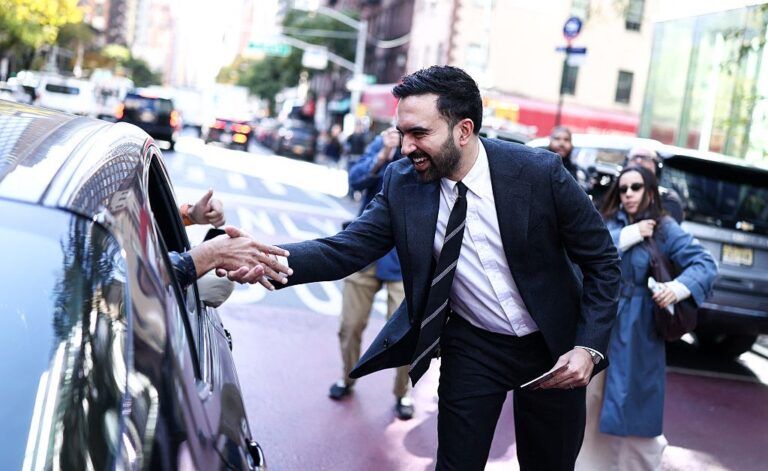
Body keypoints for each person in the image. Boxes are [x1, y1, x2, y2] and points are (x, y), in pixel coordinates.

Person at [225, 66, 621, 470]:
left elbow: (603, 261)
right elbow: (347, 248)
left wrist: (588, 348)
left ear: (463, 130)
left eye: (419, 134)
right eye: (402, 133)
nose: (405, 148)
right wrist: (266, 259)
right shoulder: (402, 183)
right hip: (474, 346)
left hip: (554, 348)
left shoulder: (539, 173)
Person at [576, 166, 717, 471]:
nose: (628, 194)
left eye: (636, 187)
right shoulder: (608, 221)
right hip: (602, 321)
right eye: (623, 188)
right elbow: (585, 252)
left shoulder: (664, 228)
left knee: (638, 404)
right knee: (591, 400)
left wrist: (676, 289)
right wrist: (628, 235)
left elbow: (705, 264)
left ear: (650, 191)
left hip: (641, 329)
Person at [329, 127, 413, 420]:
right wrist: (383, 154)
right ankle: (347, 378)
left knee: (406, 333)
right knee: (350, 325)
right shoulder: (383, 141)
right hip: (365, 254)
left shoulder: (427, 147)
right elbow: (355, 180)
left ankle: (403, 392)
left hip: (404, 259)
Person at [624, 146, 685, 223]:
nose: (638, 161)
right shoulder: (614, 196)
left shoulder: (668, 200)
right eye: (634, 157)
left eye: (645, 158)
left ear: (656, 168)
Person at [547, 125, 592, 192]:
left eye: (566, 140)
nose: (562, 143)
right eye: (557, 138)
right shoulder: (540, 166)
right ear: (550, 141)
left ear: (571, 144)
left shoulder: (577, 172)